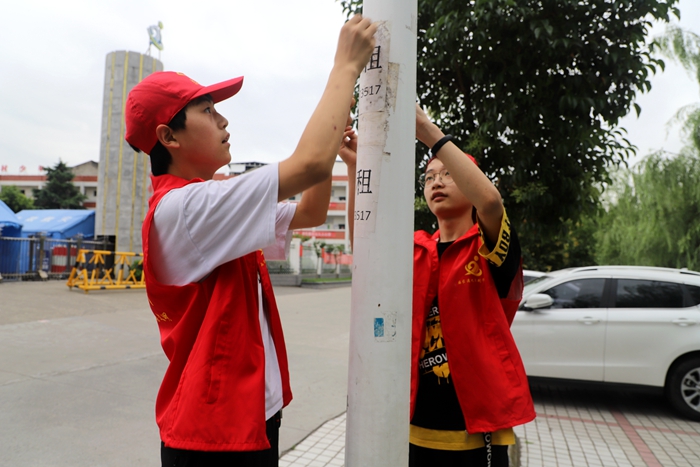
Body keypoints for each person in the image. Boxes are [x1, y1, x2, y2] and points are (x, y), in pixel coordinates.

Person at [124, 15, 377, 467]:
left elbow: (311, 211)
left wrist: (335, 156)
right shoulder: (186, 209)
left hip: (246, 420)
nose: (223, 119)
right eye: (207, 110)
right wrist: (345, 67)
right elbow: (308, 164)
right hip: (212, 436)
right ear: (168, 136)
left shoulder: (209, 206)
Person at [339, 104, 535, 467]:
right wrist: (354, 168)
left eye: (448, 174)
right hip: (413, 428)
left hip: (476, 435)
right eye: (429, 178)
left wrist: (429, 132)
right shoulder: (414, 249)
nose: (437, 182)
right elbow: (364, 249)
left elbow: (491, 202)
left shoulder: (487, 247)